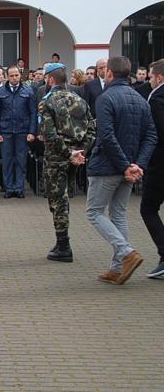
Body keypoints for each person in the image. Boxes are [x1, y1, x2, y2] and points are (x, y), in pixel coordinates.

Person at [85, 56, 156, 284]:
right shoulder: (140, 99)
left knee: (94, 212)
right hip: (129, 167)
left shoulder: (106, 98)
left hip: (108, 166)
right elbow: (151, 136)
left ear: (109, 74)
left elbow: (106, 136)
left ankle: (126, 253)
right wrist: (137, 164)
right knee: (118, 213)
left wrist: (128, 165)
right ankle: (117, 268)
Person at [38, 63, 95, 263]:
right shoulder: (79, 100)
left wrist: (68, 153)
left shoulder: (47, 102)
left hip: (57, 158)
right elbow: (91, 129)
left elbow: (49, 134)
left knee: (58, 200)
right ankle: (61, 242)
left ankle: (63, 245)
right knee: (65, 198)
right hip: (74, 156)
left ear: (51, 79)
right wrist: (82, 151)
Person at [0, 66, 37, 198]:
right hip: (5, 131)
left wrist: (32, 132)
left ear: (20, 75)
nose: (14, 78)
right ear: (7, 76)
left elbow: (33, 113)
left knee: (21, 160)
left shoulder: (28, 91)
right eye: (11, 75)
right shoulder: (0, 92)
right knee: (7, 161)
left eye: (16, 75)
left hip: (22, 131)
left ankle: (19, 188)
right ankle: (9, 189)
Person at [140, 58, 164, 278]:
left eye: (151, 77)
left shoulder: (157, 98)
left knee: (147, 208)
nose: (148, 81)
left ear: (160, 78)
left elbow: (156, 134)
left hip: (159, 165)